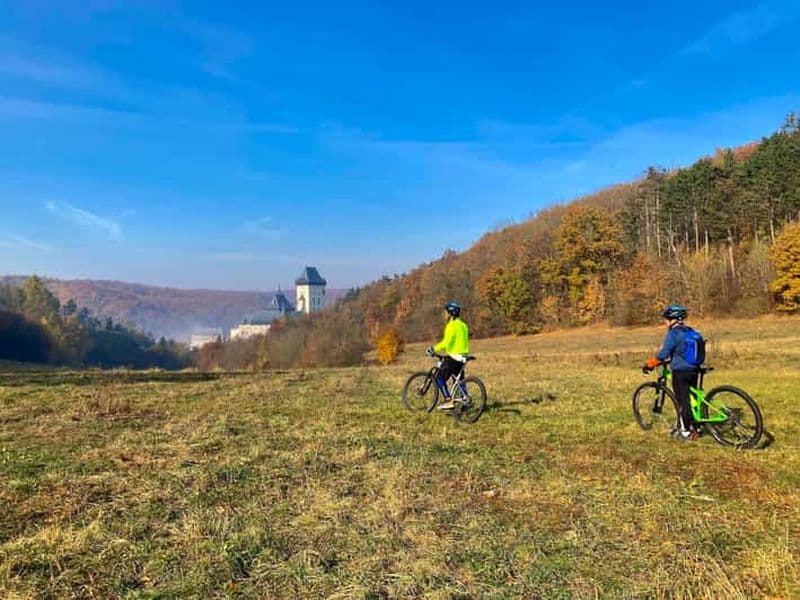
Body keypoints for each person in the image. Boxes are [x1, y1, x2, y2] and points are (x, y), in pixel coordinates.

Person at [643, 305, 704, 441]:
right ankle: (697, 427)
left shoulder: (673, 334)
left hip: (681, 371)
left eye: (666, 319)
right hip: (694, 369)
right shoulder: (691, 331)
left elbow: (662, 355)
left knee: (682, 401)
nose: (665, 322)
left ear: (672, 320)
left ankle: (685, 432)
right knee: (693, 398)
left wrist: (650, 365)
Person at [426, 301, 470, 410]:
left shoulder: (452, 325)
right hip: (462, 357)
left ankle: (448, 400)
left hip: (454, 357)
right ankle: (465, 399)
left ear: (451, 313)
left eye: (446, 312)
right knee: (459, 381)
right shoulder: (463, 325)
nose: (445, 315)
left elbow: (446, 342)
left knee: (438, 378)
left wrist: (433, 349)